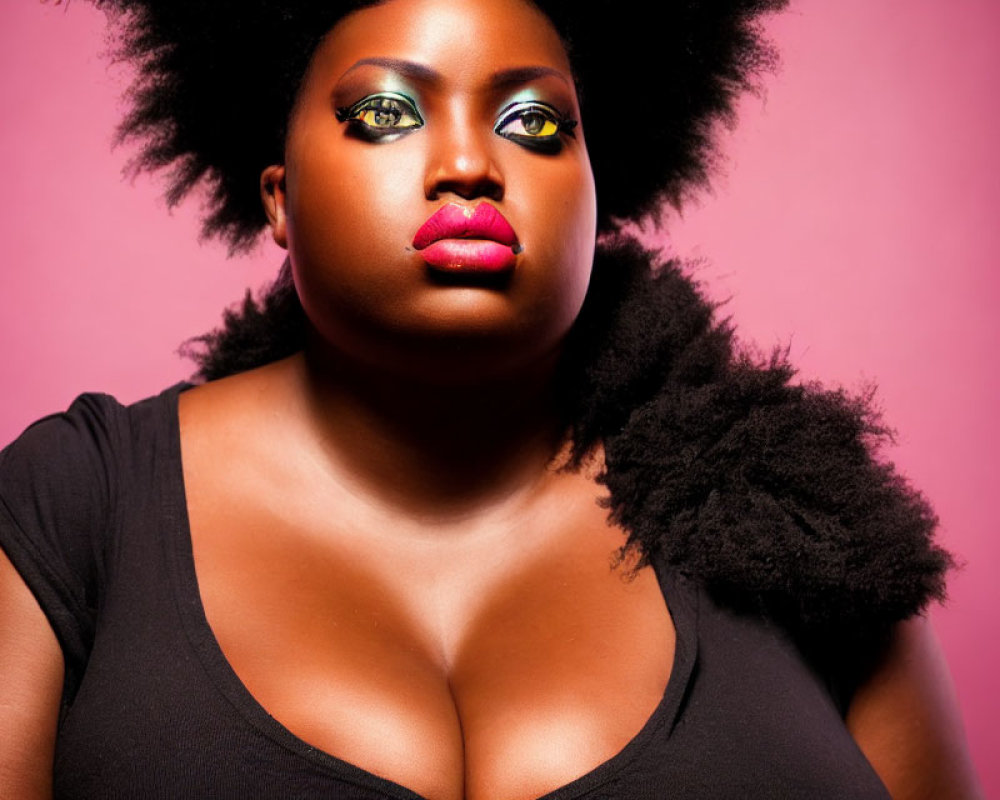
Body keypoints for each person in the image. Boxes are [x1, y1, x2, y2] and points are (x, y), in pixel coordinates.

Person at [0, 0, 982, 797]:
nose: (470, 163)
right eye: (386, 112)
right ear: (278, 197)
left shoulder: (809, 530)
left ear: (600, 191)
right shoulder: (80, 510)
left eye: (534, 122)